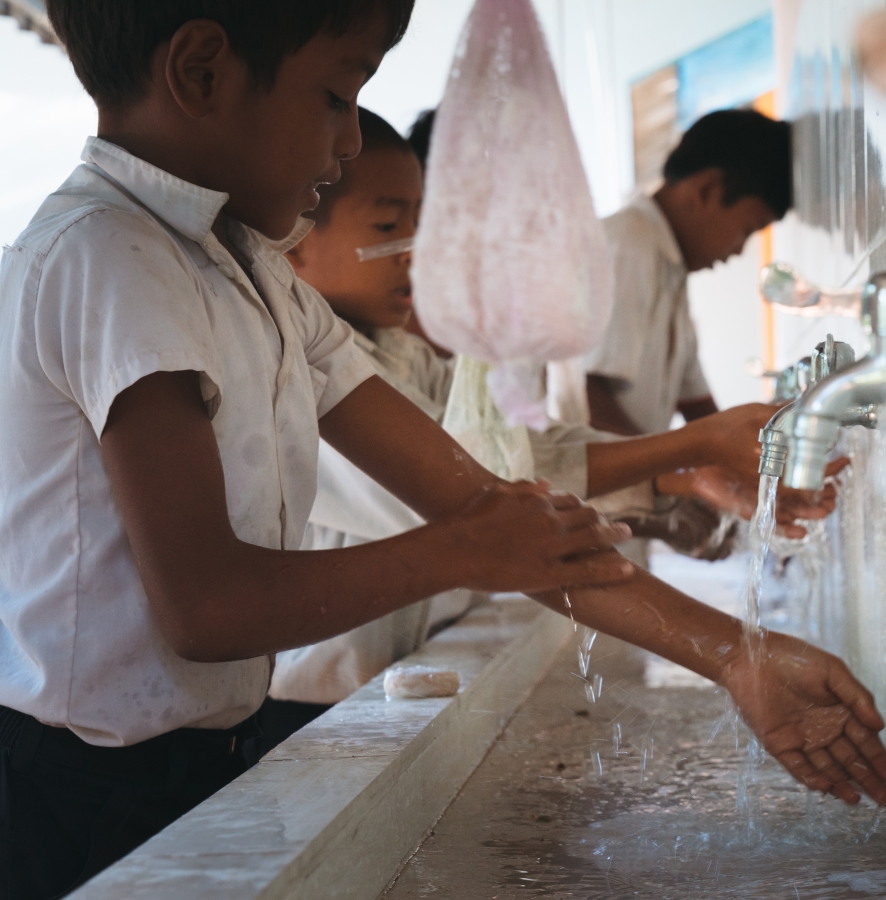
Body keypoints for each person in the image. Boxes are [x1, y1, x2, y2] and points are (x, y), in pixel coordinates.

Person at [0, 4, 886, 896]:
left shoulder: (258, 278)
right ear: (200, 72)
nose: (349, 138)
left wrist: (736, 655)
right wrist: (467, 547)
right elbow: (207, 606)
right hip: (78, 790)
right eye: (335, 95)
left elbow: (486, 504)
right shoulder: (109, 257)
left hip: (194, 762)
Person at [252, 107, 838, 752]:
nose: (420, 253)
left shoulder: (394, 352)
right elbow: (484, 492)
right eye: (395, 227)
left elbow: (502, 465)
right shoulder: (293, 364)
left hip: (386, 670)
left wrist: (691, 471)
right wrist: (688, 464)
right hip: (311, 699)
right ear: (291, 236)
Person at [585, 109, 791, 438]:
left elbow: (699, 408)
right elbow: (585, 398)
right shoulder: (629, 245)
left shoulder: (669, 267)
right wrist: (672, 470)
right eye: (747, 229)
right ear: (706, 189)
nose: (738, 251)